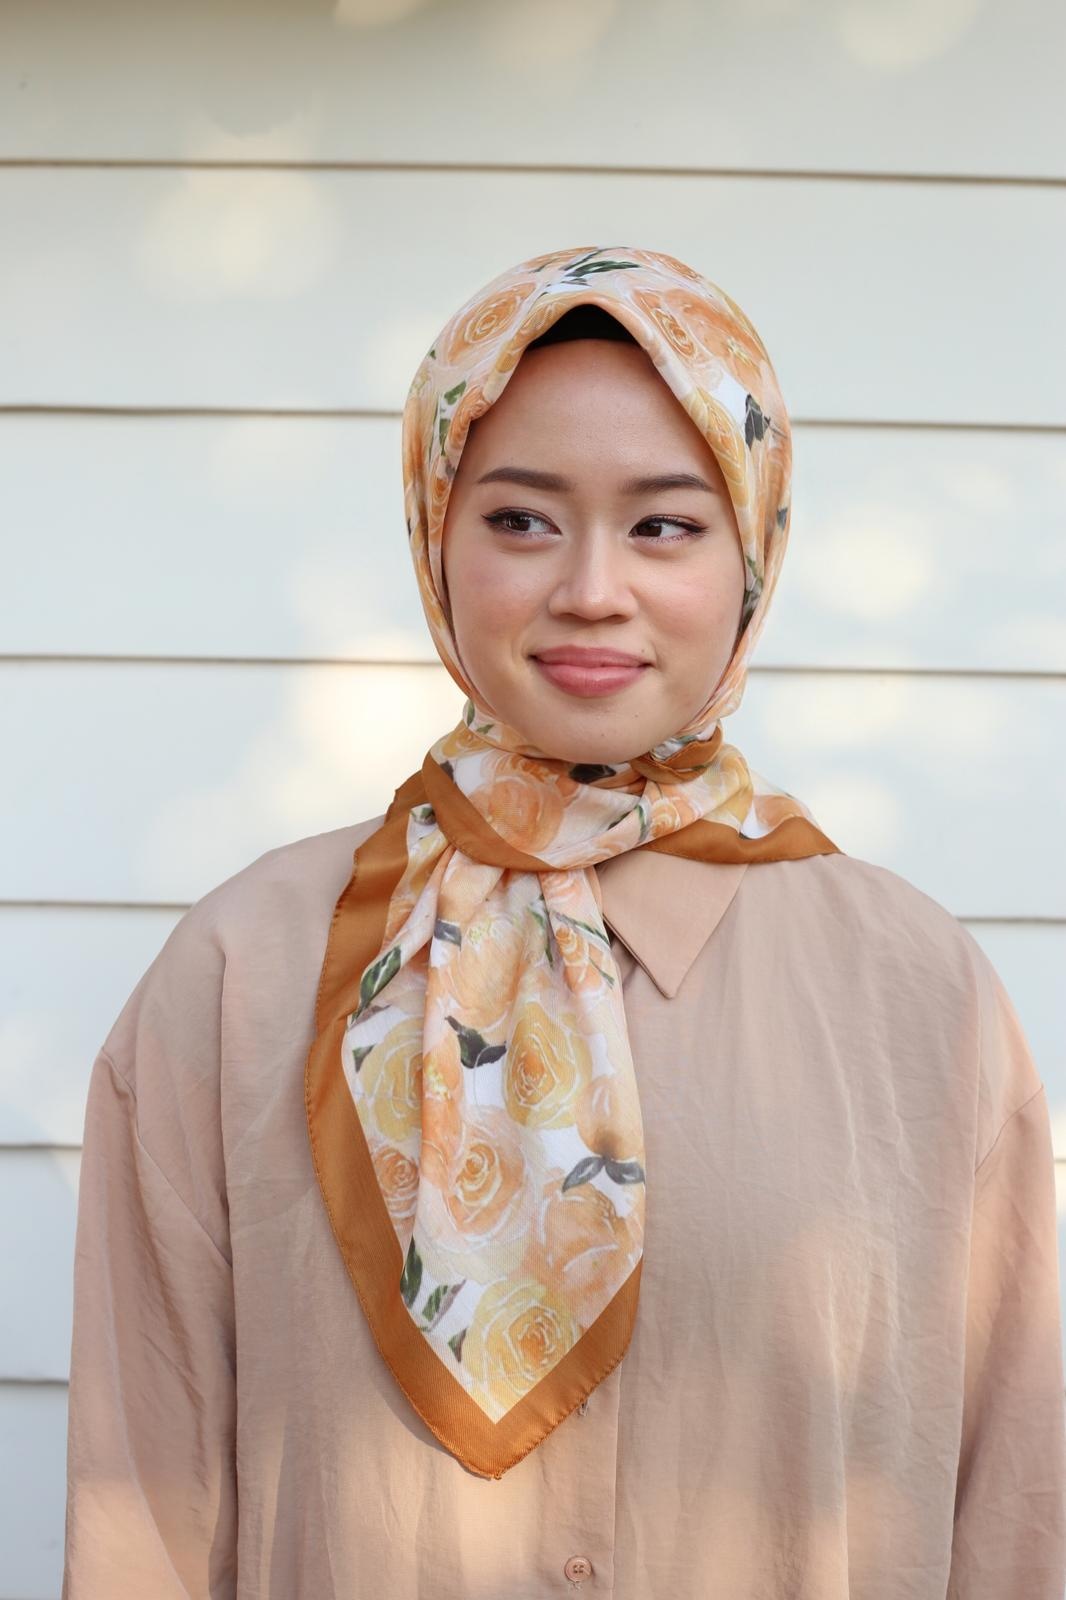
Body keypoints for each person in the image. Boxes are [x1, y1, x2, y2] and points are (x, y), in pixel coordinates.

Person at [62, 246, 1065, 1598]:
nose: (592, 587)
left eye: (665, 526)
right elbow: (145, 1512)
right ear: (436, 535)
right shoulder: (244, 972)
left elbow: (1011, 1506)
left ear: (754, 551)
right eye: (522, 519)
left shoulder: (915, 993)